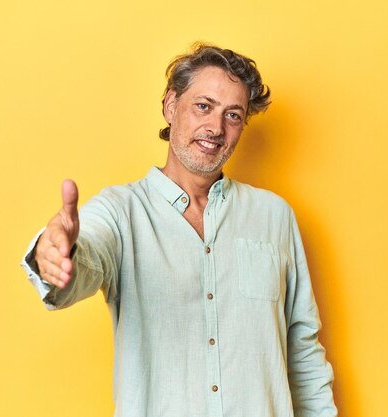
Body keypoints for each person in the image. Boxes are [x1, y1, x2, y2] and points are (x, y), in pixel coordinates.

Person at [21, 43, 337, 417]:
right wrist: (55, 252)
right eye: (203, 106)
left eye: (233, 115)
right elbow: (84, 260)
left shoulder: (274, 217)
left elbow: (301, 351)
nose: (216, 128)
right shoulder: (121, 213)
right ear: (171, 106)